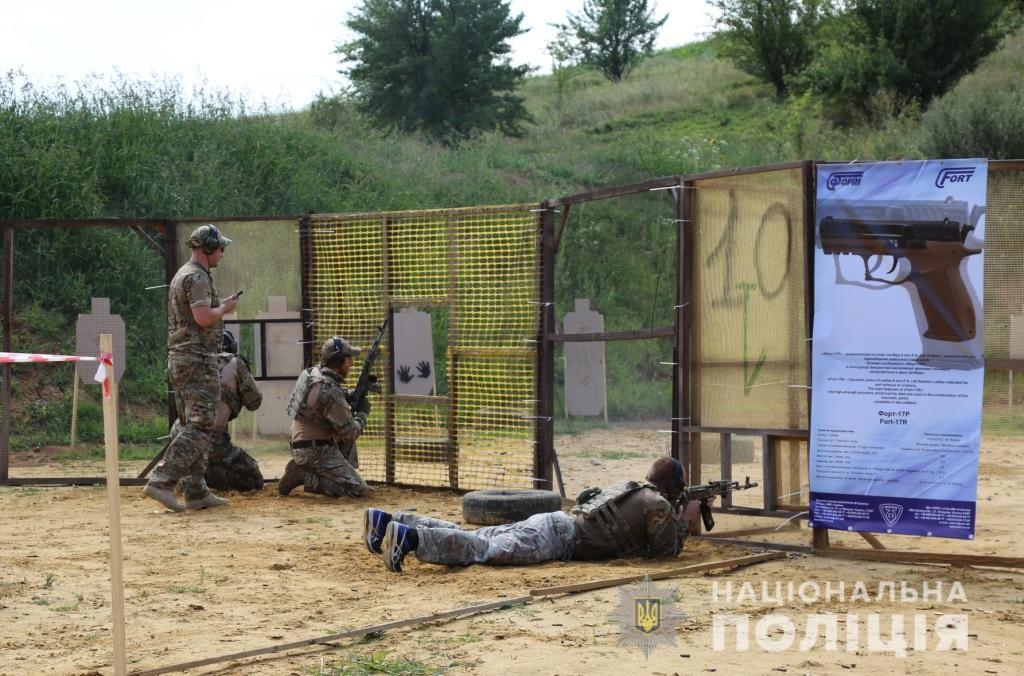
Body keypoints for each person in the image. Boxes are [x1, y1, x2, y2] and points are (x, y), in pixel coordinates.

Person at [363, 457, 705, 573]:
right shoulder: (658, 504)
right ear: (673, 485)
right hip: (560, 539)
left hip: (555, 524)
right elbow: (664, 552)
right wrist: (687, 519)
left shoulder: (632, 487)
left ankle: (394, 521)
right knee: (482, 550)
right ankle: (412, 538)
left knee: (480, 536)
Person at [143, 224, 241, 512]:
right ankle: (162, 480)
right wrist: (223, 310)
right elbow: (202, 318)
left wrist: (219, 307)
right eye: (220, 248)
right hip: (196, 359)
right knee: (201, 424)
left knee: (192, 423)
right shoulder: (196, 277)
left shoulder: (184, 275)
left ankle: (196, 490)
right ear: (208, 249)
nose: (222, 253)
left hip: (185, 358)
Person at [170, 330, 264, 492]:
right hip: (210, 437)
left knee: (209, 455)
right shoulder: (234, 363)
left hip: (179, 431)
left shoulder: (193, 362)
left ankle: (188, 472)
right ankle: (195, 478)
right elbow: (254, 402)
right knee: (253, 478)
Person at [278, 336, 370, 498]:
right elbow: (350, 433)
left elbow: (321, 403)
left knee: (343, 427)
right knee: (358, 490)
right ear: (341, 361)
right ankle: (305, 477)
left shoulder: (312, 374)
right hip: (315, 451)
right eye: (349, 359)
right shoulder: (329, 390)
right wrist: (362, 414)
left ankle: (340, 475)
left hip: (301, 444)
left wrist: (350, 395)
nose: (351, 364)